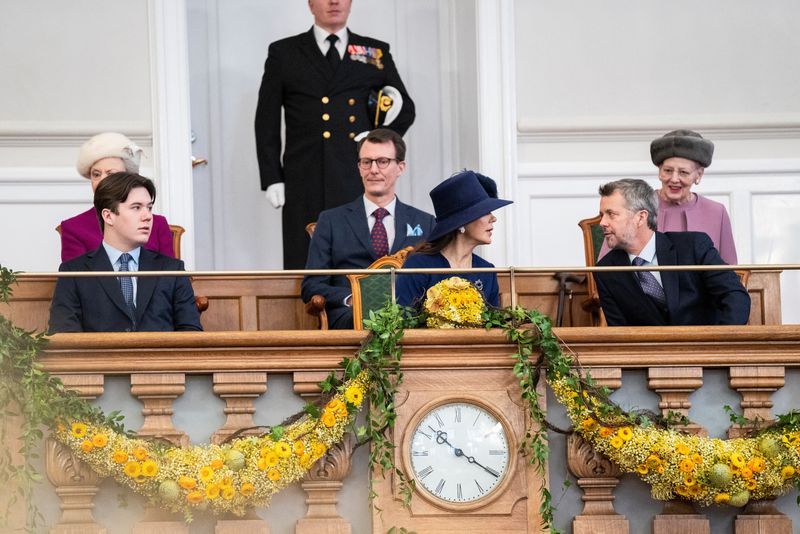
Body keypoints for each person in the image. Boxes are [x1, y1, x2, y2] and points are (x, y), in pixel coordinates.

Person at [255, 0, 415, 269]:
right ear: (310, 4)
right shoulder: (284, 52)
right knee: (304, 260)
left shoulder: (374, 51)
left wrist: (377, 140)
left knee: (358, 257)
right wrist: (272, 177)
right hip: (303, 176)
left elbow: (405, 109)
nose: (334, 2)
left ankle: (360, 309)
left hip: (357, 174)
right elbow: (266, 120)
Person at [301, 129, 434, 329]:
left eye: (382, 161)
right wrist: (351, 298)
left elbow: (437, 279)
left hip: (409, 317)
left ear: (400, 167)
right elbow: (312, 286)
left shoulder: (425, 222)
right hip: (350, 317)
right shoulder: (330, 221)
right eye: (366, 162)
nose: (373, 169)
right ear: (359, 167)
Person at [48, 173, 202, 333]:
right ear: (108, 216)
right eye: (136, 207)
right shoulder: (74, 272)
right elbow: (63, 337)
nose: (147, 216)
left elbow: (191, 333)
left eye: (149, 208)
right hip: (99, 358)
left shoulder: (172, 269)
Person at [594, 178, 750, 327]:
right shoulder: (605, 270)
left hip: (707, 349)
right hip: (651, 353)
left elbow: (735, 297)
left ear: (641, 218)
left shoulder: (694, 246)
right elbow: (620, 332)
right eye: (602, 215)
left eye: (611, 214)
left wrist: (720, 344)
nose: (602, 223)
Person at [599, 129, 737, 265]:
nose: (674, 179)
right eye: (668, 171)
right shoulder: (634, 205)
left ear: (698, 175)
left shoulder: (716, 212)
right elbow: (606, 265)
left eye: (683, 172)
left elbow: (731, 271)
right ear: (659, 171)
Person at [396, 170, 513, 309]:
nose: (493, 218)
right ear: (462, 222)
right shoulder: (419, 266)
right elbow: (403, 324)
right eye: (485, 211)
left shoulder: (487, 271)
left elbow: (494, 328)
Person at [60, 132, 174, 262]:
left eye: (111, 174)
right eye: (96, 174)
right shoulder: (73, 227)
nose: (102, 180)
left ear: (128, 176)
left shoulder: (157, 224)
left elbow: (170, 276)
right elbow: (77, 279)